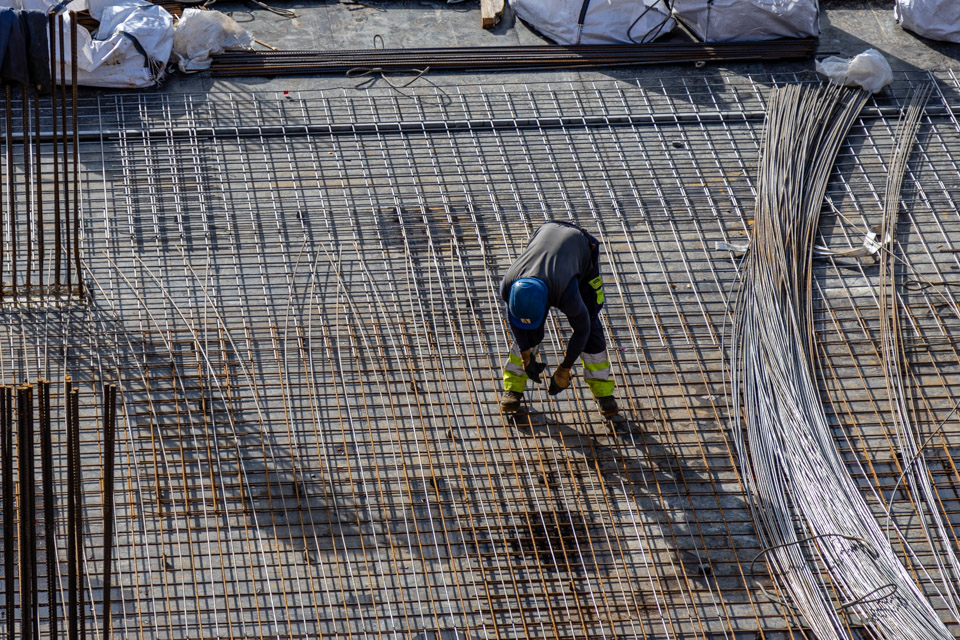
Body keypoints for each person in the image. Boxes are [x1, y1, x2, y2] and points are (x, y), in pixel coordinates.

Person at [499, 220, 619, 419]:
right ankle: (513, 388)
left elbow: (582, 329)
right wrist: (525, 351)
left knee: (590, 320)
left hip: (580, 245)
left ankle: (603, 392)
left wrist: (565, 368)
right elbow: (515, 319)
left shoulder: (567, 294)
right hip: (545, 235)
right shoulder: (509, 286)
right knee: (527, 331)